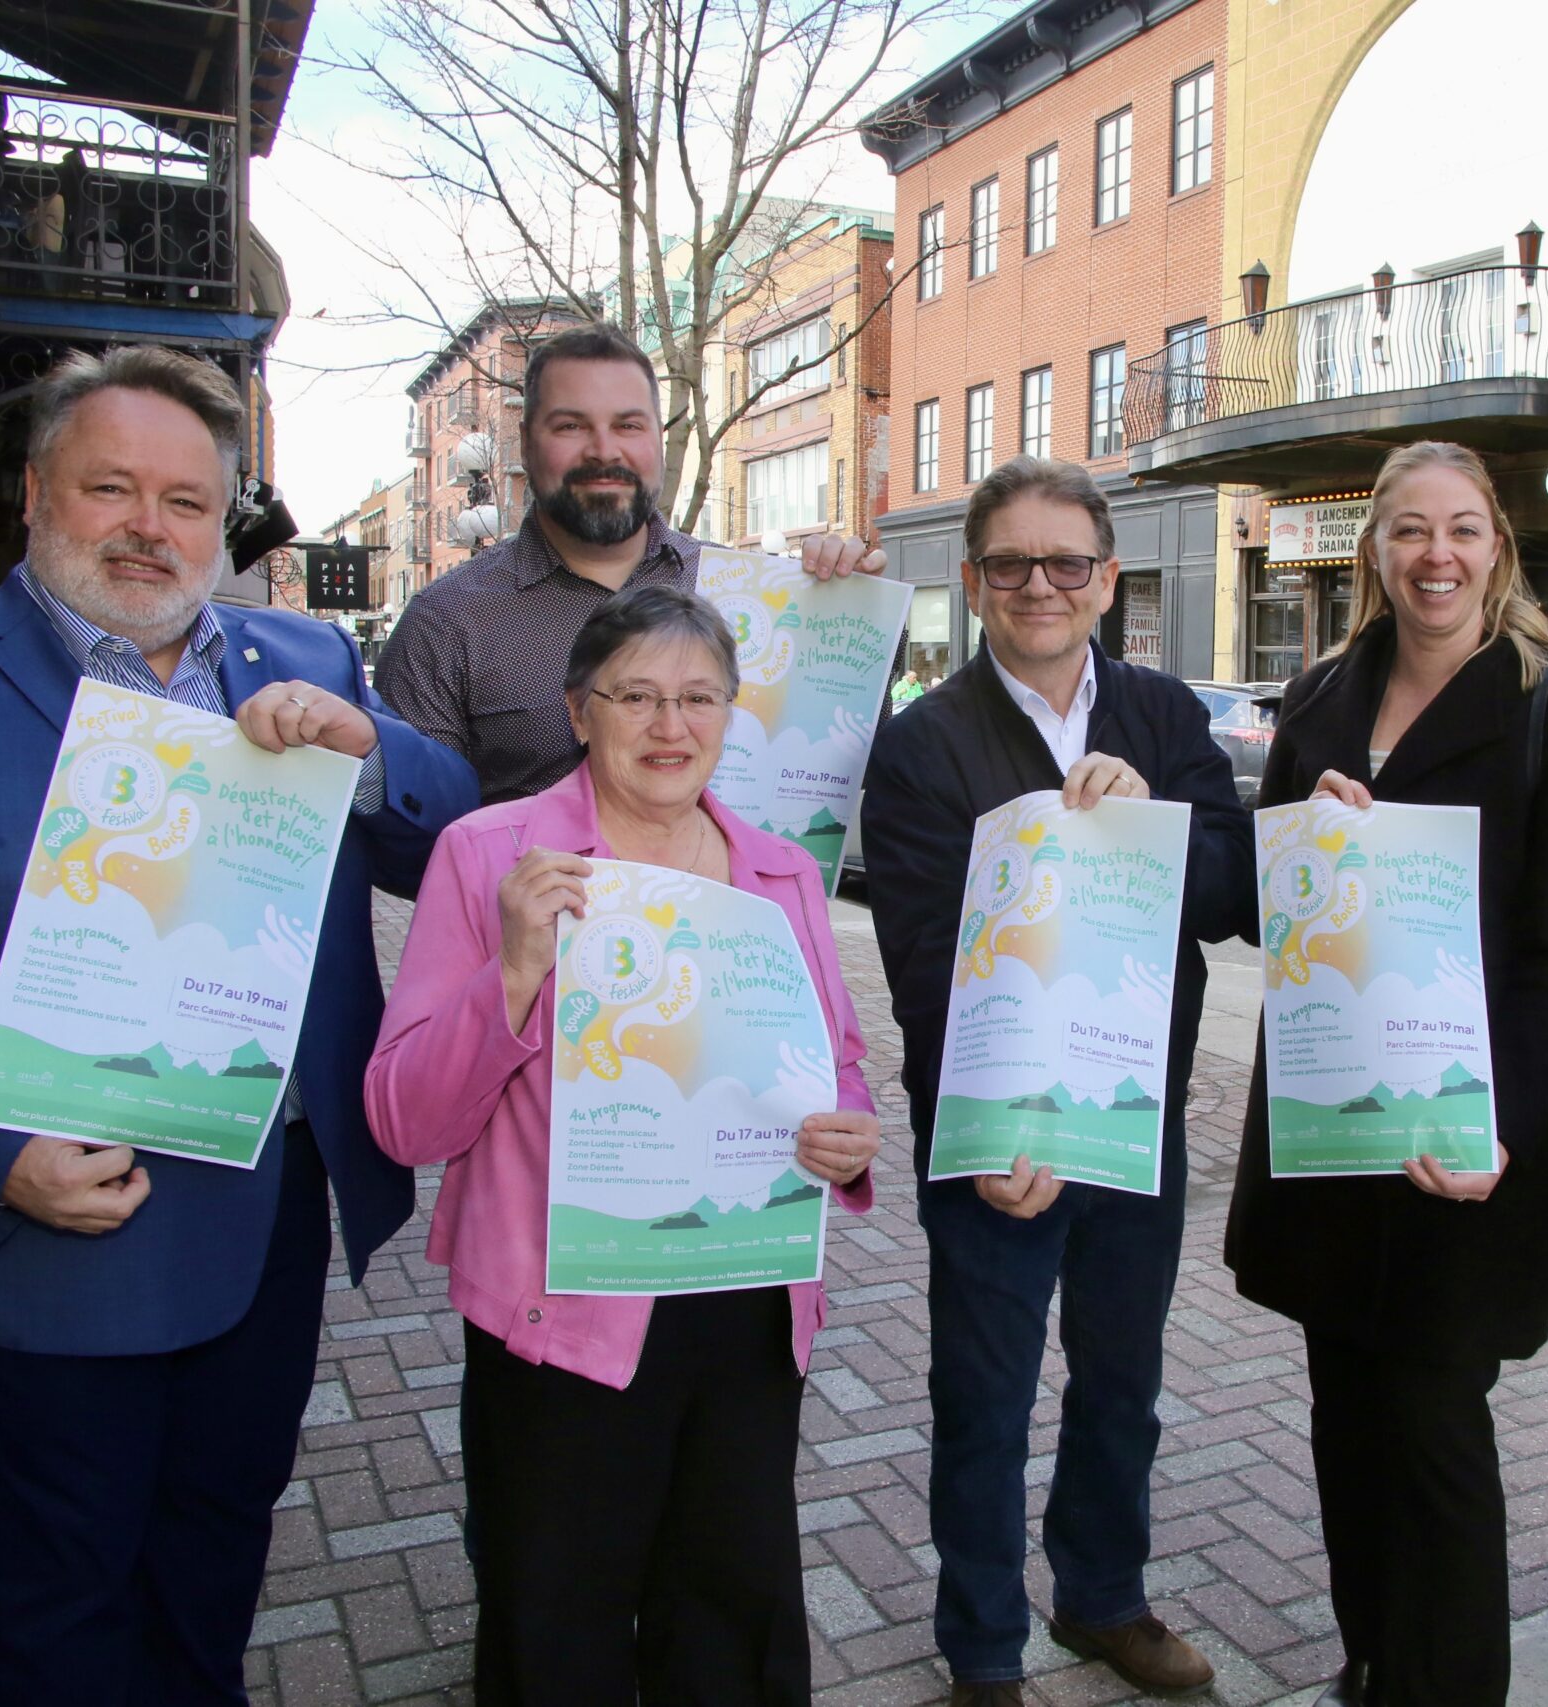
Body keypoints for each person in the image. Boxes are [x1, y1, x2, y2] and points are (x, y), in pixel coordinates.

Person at [0, 346, 478, 1705]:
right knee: (49, 1607)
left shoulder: (307, 653)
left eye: (187, 500)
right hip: (45, 1223)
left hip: (256, 1217)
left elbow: (452, 835)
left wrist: (370, 748)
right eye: (112, 487)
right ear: (39, 494)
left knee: (210, 1571)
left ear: (226, 524)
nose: (149, 526)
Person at [364, 582, 880, 1705]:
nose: (669, 725)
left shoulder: (779, 871)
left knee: (730, 1611)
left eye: (699, 697)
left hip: (742, 1297)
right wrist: (511, 971)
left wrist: (846, 1138)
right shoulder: (489, 855)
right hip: (565, 1313)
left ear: (732, 715)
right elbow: (405, 1119)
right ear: (576, 710)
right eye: (635, 695)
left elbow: (831, 1058)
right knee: (559, 1614)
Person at [1223, 442, 1548, 1706]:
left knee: (1436, 1432)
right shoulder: (1320, 696)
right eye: (1408, 531)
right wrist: (1305, 843)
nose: (1435, 556)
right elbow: (1266, 905)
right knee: (1347, 1426)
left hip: (1464, 1136)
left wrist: (1492, 1121)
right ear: (1375, 553)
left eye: (1460, 529)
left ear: (1498, 547)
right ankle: (1373, 1663)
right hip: (1334, 1116)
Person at [860, 457, 1252, 1705]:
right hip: (996, 1141)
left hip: (1134, 1124)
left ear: (1108, 579)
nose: (1042, 586)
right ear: (973, 584)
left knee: (1122, 1386)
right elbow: (920, 964)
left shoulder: (1165, 718)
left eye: (1067, 563)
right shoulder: (924, 744)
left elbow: (1236, 897)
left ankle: (1101, 1600)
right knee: (981, 1398)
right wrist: (987, 1136)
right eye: (1012, 565)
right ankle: (983, 1646)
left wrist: (1154, 825)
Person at [377, 321, 884, 804]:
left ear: (657, 441)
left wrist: (852, 617)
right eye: (571, 425)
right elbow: (411, 851)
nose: (603, 451)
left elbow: (848, 764)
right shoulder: (443, 624)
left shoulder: (753, 594)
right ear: (527, 444)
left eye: (628, 424)